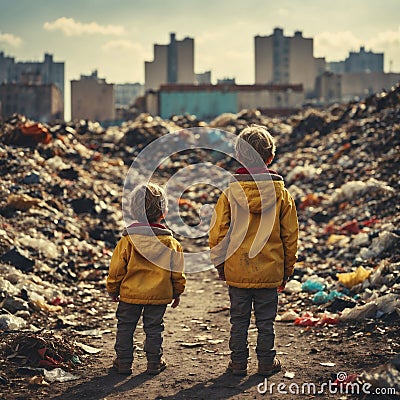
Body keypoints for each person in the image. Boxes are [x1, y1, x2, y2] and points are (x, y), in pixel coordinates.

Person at [209, 124, 298, 377]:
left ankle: (238, 364)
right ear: (270, 157)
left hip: (237, 270)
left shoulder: (229, 193)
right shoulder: (282, 195)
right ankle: (266, 363)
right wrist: (286, 270)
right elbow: (290, 236)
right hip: (270, 271)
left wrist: (220, 264)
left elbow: (217, 233)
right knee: (265, 322)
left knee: (238, 321)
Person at [107, 182, 186, 375]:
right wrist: (177, 292)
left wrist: (113, 289)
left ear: (133, 212)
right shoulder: (171, 243)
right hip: (158, 295)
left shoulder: (127, 241)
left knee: (125, 327)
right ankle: (154, 362)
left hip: (129, 295)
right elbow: (177, 273)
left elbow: (116, 269)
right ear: (163, 212)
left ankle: (124, 362)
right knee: (154, 328)